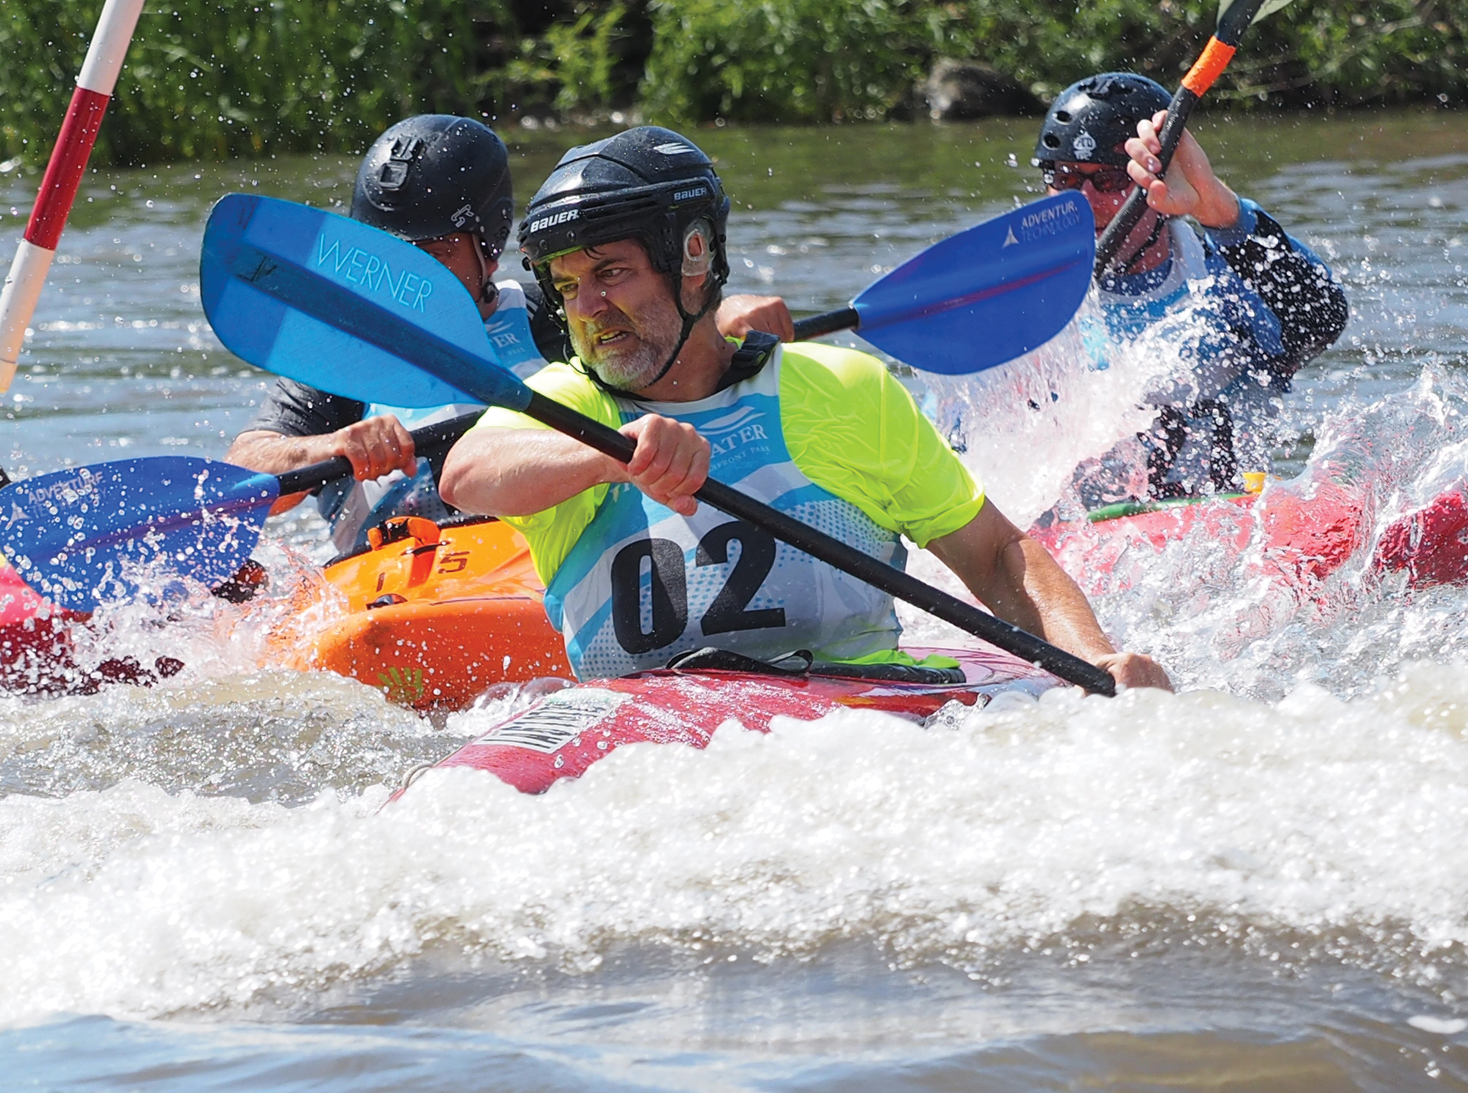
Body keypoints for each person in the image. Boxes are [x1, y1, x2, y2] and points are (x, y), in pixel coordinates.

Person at [437, 126, 1169, 690]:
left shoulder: (845, 390)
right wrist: (609, 455)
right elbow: (468, 472)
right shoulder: (571, 404)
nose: (588, 309)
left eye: (611, 273)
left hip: (855, 716)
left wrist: (1098, 662)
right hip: (647, 736)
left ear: (693, 257)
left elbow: (999, 557)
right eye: (567, 287)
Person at [225, 114, 792, 559]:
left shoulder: (559, 316)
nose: (407, 282)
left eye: (434, 255)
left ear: (490, 247)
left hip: (536, 564)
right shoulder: (339, 353)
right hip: (397, 582)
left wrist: (723, 312)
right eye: (389, 255)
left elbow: (656, 332)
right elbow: (245, 470)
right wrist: (327, 447)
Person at [1033, 72, 1348, 497]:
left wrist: (1220, 208)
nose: (1084, 202)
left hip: (1224, 533)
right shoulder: (1019, 311)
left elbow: (1321, 318)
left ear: (1159, 181)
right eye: (1066, 177)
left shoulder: (1226, 282)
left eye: (1108, 181)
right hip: (1074, 544)